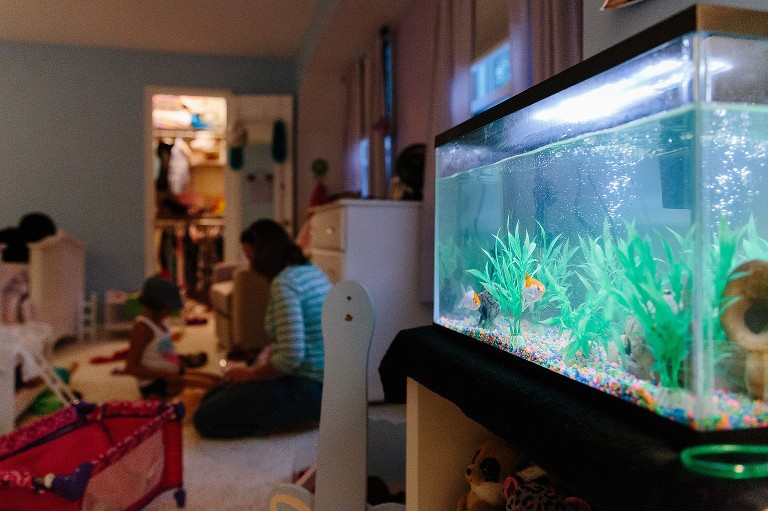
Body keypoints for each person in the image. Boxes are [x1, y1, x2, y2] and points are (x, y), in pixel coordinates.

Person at [193, 219, 332, 438]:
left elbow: (290, 358)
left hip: (309, 388)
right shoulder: (311, 271)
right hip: (320, 384)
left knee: (205, 418)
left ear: (265, 255)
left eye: (251, 258)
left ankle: (278, 422)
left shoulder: (285, 284)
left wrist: (250, 374)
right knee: (213, 395)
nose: (250, 266)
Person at [125, 275, 221, 400]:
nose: (170, 312)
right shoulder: (142, 327)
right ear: (155, 305)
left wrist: (178, 363)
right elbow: (130, 368)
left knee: (217, 380)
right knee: (211, 389)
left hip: (172, 372)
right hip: (156, 383)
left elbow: (165, 351)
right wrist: (164, 375)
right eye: (168, 309)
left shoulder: (162, 321)